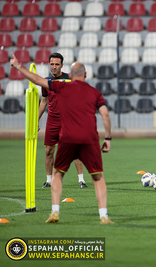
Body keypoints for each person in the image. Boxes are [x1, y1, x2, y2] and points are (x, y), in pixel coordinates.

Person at [10, 53, 114, 224]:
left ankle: (55, 212)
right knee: (98, 178)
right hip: (89, 138)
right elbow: (105, 114)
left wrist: (17, 66)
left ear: (70, 75)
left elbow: (36, 80)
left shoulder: (61, 87)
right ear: (86, 75)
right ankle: (103, 215)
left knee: (58, 175)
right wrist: (108, 138)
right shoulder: (94, 92)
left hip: (68, 136)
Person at [38, 53, 87, 189]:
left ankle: (81, 180)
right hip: (52, 120)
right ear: (49, 64)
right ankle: (49, 181)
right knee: (49, 151)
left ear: (62, 65)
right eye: (52, 64)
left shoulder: (69, 79)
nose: (54, 67)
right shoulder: (46, 82)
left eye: (57, 64)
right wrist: (36, 120)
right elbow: (44, 101)